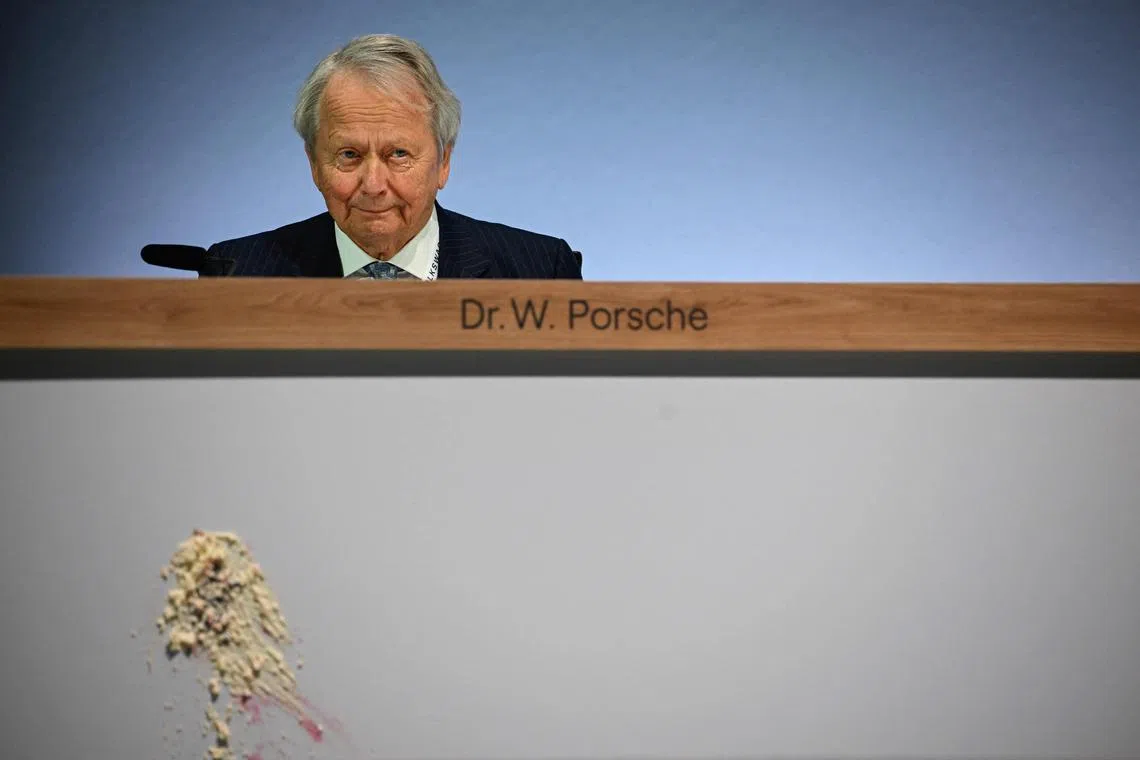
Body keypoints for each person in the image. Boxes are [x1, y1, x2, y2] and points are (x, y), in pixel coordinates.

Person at [200, 34, 582, 279]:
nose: (373, 185)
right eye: (349, 154)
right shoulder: (236, 271)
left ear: (443, 162)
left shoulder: (539, 270)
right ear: (314, 164)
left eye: (398, 154)